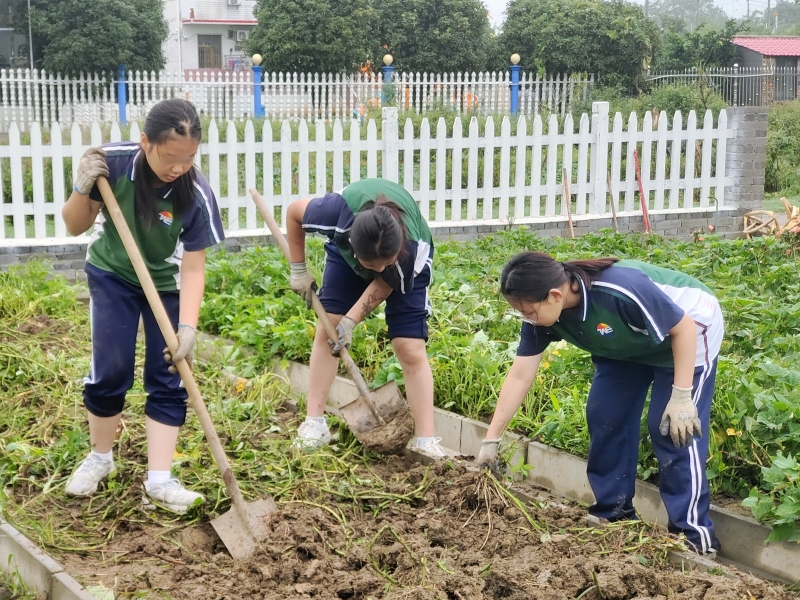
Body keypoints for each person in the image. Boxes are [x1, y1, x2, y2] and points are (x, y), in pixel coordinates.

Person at [475, 251, 723, 555]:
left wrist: (682, 396)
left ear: (554, 296)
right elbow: (519, 376)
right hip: (628, 342)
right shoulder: (541, 317)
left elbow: (682, 327)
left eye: (529, 311)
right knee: (606, 415)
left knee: (673, 429)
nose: (527, 318)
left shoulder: (619, 290)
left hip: (688, 330)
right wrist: (491, 441)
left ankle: (694, 538)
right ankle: (613, 515)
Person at [61, 98, 224, 514]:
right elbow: (75, 225)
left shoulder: (196, 193)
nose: (179, 168)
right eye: (170, 158)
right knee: (111, 367)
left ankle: (160, 480)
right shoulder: (112, 165)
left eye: (189, 159)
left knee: (169, 373)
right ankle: (100, 458)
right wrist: (82, 187)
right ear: (145, 142)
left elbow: (193, 268)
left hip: (167, 285)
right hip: (112, 274)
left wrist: (188, 327)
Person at [285, 178, 445, 459]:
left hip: (406, 262)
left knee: (409, 346)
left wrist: (351, 322)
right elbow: (294, 213)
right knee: (329, 327)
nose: (379, 269)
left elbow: (384, 282)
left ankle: (426, 441)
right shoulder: (335, 214)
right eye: (372, 265)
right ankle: (315, 424)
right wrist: (298, 269)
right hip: (350, 256)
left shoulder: (408, 249)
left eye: (385, 263)